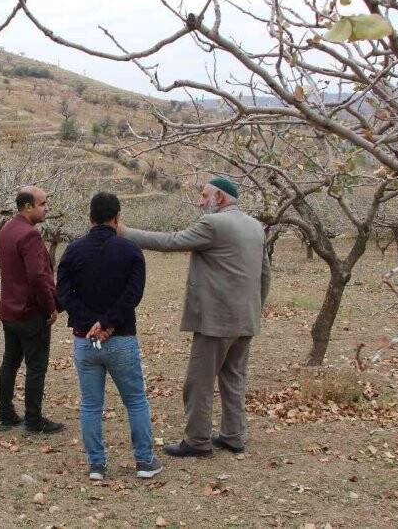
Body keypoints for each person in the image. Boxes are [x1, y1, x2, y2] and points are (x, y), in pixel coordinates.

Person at [119, 177, 270, 457]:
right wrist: (254, 310)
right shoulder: (255, 226)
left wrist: (126, 232)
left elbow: (171, 241)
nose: (200, 202)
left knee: (198, 382)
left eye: (204, 196)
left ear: (220, 198)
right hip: (245, 319)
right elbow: (265, 274)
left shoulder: (214, 224)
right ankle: (233, 436)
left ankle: (198, 441)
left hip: (217, 321)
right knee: (234, 379)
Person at [56, 192, 161, 480]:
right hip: (121, 338)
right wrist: (108, 322)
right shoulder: (130, 251)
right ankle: (144, 461)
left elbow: (63, 294)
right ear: (117, 218)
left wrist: (90, 323)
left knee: (91, 404)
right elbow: (133, 295)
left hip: (85, 340)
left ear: (90, 218)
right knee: (136, 401)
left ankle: (97, 465)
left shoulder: (73, 251)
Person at [0, 186, 64, 434]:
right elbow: (37, 277)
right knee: (36, 366)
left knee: (10, 362)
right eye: (43, 204)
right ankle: (34, 420)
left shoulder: (5, 230)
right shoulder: (30, 236)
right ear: (28, 207)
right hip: (30, 312)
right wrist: (51, 307)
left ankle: (5, 414)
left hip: (9, 310)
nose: (46, 208)